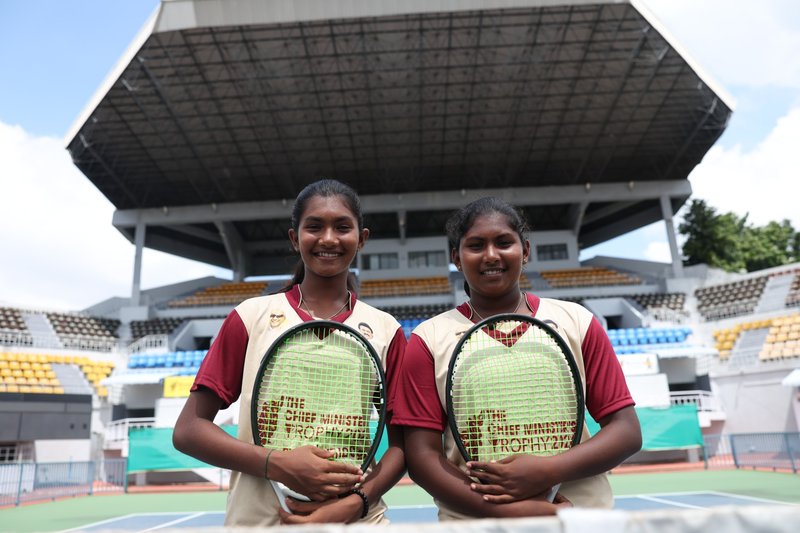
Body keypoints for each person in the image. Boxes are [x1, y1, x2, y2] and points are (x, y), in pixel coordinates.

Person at [173, 179, 407, 527]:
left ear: (362, 238)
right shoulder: (250, 317)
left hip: (358, 523)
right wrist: (278, 463)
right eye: (314, 227)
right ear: (295, 238)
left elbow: (403, 447)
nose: (328, 238)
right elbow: (188, 429)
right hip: (261, 521)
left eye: (342, 227)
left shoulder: (386, 330)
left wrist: (356, 502)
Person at [391, 197, 642, 520]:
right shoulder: (429, 338)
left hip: (579, 518)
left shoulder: (577, 321)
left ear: (525, 250)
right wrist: (510, 511)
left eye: (504, 243)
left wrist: (549, 470)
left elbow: (626, 431)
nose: (491, 255)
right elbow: (423, 458)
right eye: (476, 245)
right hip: (474, 525)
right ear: (456, 257)